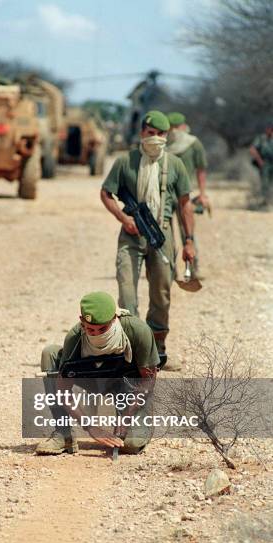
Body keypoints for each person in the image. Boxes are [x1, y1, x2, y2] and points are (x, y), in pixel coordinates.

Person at [100, 110, 194, 371]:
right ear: (142, 133)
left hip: (161, 236)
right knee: (127, 294)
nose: (155, 138)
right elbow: (106, 193)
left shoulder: (175, 165)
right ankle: (133, 350)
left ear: (167, 135)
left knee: (161, 294)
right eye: (150, 133)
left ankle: (158, 349)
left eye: (161, 134)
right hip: (131, 235)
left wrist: (189, 241)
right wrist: (123, 218)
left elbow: (185, 205)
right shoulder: (125, 162)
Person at [35, 291, 159, 455]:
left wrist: (127, 415)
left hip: (127, 387)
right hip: (92, 380)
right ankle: (63, 434)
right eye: (90, 329)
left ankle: (141, 421)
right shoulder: (75, 337)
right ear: (81, 322)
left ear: (114, 318)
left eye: (102, 328)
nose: (96, 334)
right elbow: (63, 390)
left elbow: (148, 378)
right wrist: (90, 427)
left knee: (130, 444)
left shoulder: (137, 330)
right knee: (50, 353)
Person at [167, 111, 209, 278]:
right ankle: (169, 271)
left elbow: (201, 169)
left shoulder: (193, 143)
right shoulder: (162, 144)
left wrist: (203, 193)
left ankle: (192, 268)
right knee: (166, 234)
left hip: (185, 195)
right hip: (166, 195)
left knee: (187, 233)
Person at [249, 121, 273, 206]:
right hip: (265, 163)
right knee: (265, 182)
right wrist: (260, 161)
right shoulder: (261, 139)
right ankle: (265, 201)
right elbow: (252, 149)